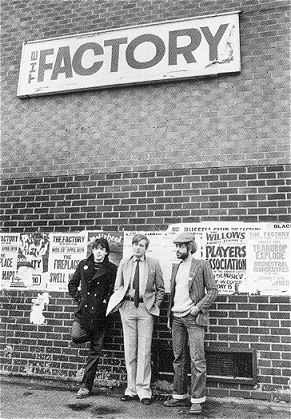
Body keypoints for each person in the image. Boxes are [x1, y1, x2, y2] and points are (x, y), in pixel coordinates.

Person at [163, 232, 218, 415]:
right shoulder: (176, 267)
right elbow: (174, 295)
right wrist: (170, 317)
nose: (178, 250)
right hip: (177, 318)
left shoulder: (201, 265)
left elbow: (212, 291)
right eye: (176, 246)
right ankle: (179, 396)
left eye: (181, 246)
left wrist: (198, 308)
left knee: (197, 360)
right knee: (178, 359)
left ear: (189, 247)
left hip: (194, 318)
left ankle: (197, 400)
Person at [106, 233, 165, 405]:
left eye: (141, 245)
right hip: (128, 308)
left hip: (146, 310)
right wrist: (122, 305)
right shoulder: (125, 263)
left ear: (146, 248)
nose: (138, 247)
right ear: (132, 246)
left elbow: (160, 289)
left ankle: (143, 390)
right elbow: (118, 287)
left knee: (144, 350)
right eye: (135, 244)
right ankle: (131, 389)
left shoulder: (153, 263)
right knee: (130, 349)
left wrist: (155, 306)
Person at [68, 237, 117, 399]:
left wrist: (107, 303)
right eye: (96, 248)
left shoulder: (111, 269)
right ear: (93, 250)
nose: (98, 252)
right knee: (76, 336)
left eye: (102, 249)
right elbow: (72, 284)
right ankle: (91, 334)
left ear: (106, 252)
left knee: (95, 351)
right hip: (84, 312)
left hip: (100, 314)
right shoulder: (83, 264)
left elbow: (116, 290)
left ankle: (85, 386)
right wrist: (80, 299)